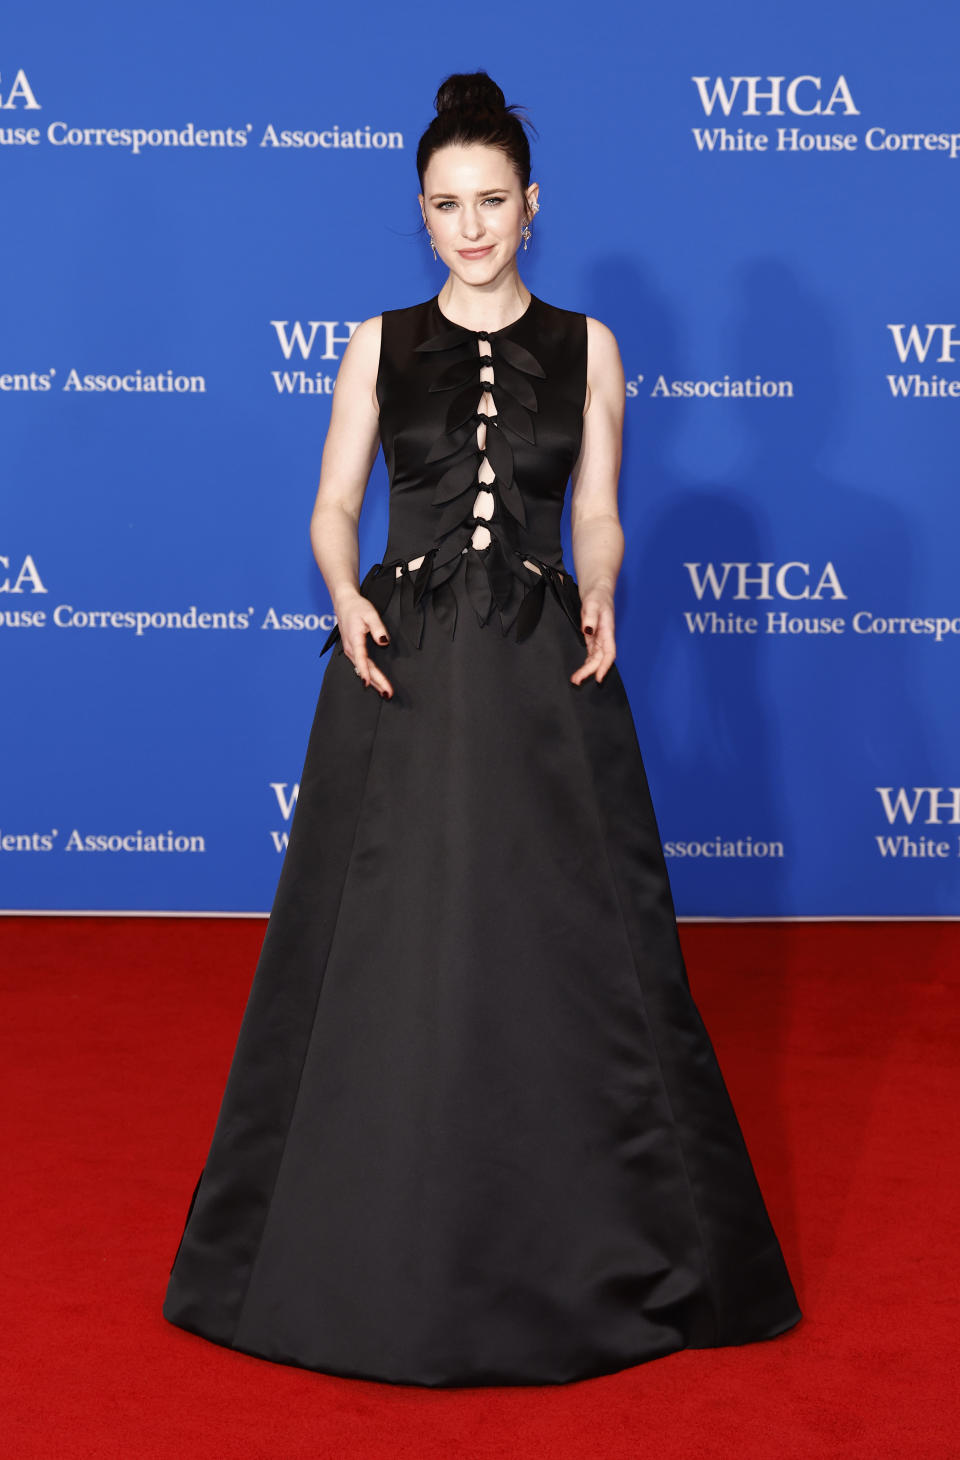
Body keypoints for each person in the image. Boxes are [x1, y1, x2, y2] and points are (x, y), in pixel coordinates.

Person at [163, 70, 802, 1387]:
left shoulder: (593, 346)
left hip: (541, 666)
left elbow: (603, 510)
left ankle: (600, 1234)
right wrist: (341, 593)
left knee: (570, 954)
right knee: (383, 955)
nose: (470, 225)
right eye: (446, 205)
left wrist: (606, 585)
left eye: (491, 202)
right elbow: (332, 503)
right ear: (422, 212)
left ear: (531, 204)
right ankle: (352, 1240)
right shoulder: (377, 343)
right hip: (402, 665)